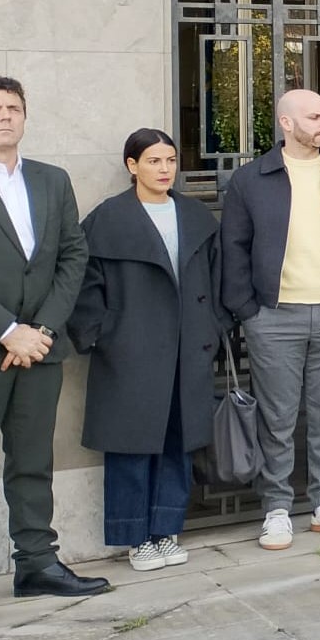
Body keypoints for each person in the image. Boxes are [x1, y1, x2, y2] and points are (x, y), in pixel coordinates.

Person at [221, 88, 320, 549]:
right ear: (286, 124)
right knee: (277, 416)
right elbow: (233, 247)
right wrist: (247, 310)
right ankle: (276, 508)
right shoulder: (251, 179)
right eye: (314, 116)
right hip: (273, 317)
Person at [70, 130, 222, 568]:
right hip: (129, 351)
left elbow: (216, 278)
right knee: (131, 445)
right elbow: (84, 285)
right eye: (154, 161)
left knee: (179, 440)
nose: (164, 169)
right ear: (132, 165)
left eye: (170, 160)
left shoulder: (195, 215)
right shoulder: (107, 220)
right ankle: (135, 537)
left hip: (187, 347)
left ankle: (166, 530)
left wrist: (213, 325)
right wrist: (101, 335)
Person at [0, 78, 107, 597]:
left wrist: (39, 331)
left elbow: (73, 255)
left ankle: (36, 563)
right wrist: (7, 331)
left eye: (13, 108)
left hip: (40, 348)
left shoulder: (51, 180)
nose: (5, 116)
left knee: (33, 461)